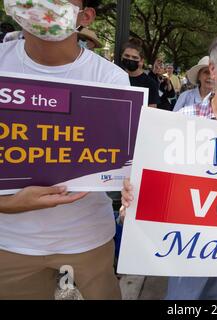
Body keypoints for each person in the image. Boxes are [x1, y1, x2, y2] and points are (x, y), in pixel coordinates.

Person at [122, 29, 217, 300]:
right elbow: (159, 171)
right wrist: (134, 195)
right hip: (188, 236)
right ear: (213, 70)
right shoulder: (185, 117)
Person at [0, 0, 126, 299]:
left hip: (89, 241)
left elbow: (126, 165)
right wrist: (6, 205)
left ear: (85, 15)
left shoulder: (112, 80)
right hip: (11, 245)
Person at [120, 38, 160, 108]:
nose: (130, 59)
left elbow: (152, 111)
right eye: (127, 56)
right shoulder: (115, 77)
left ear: (141, 61)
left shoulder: (150, 83)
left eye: (135, 57)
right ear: (121, 57)